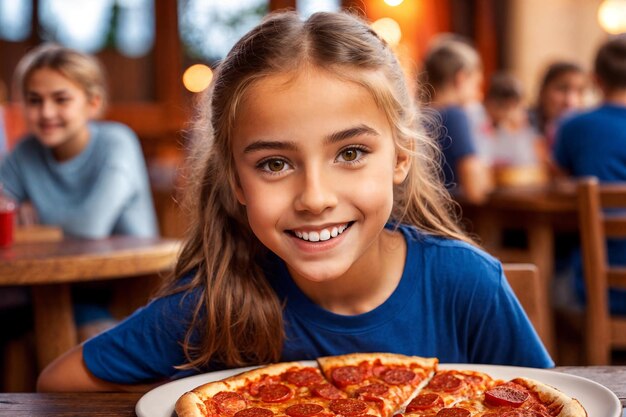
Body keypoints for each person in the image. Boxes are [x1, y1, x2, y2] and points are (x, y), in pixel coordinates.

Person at [37, 11, 552, 393]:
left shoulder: (466, 284)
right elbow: (58, 384)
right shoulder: (213, 305)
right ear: (236, 182)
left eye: (350, 153)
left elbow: (544, 400)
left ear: (400, 158)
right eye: (274, 164)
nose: (314, 198)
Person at [0, 43, 159, 338]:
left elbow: (90, 226)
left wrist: (38, 228)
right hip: (52, 287)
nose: (46, 112)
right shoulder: (25, 152)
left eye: (61, 99)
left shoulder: (117, 142)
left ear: (93, 103)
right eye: (34, 100)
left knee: (73, 324)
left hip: (127, 293)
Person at [553, 34, 626, 315]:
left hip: (595, 289)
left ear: (595, 79)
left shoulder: (573, 126)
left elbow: (558, 180)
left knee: (555, 281)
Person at [421, 35, 493, 204]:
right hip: (449, 219)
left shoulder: (420, 116)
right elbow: (475, 189)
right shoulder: (455, 115)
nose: (479, 93)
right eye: (476, 84)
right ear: (461, 79)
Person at [481, 72, 546, 186]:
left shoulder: (528, 133)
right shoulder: (482, 128)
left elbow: (538, 167)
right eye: (502, 107)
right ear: (488, 104)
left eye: (516, 107)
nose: (509, 114)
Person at [528, 61, 586, 153]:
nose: (570, 102)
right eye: (562, 89)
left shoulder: (585, 132)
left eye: (579, 91)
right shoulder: (523, 125)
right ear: (542, 92)